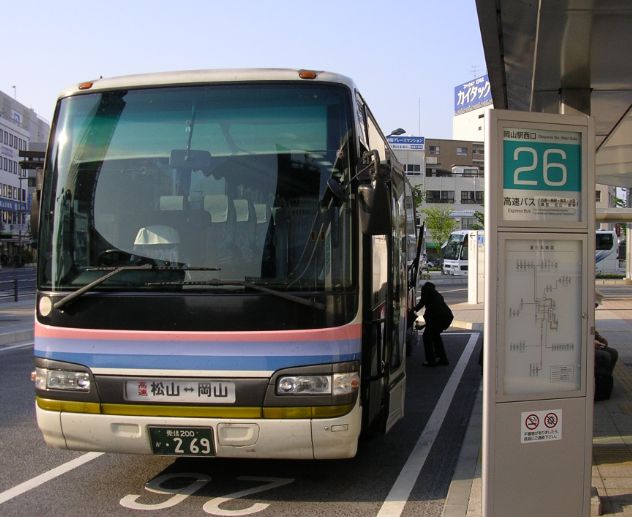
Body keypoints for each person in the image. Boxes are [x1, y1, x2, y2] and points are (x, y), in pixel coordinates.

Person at [414, 282, 454, 367]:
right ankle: (443, 359)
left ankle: (431, 361)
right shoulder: (436, 295)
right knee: (436, 336)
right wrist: (424, 326)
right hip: (446, 318)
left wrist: (413, 311)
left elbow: (422, 303)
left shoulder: (426, 289)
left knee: (427, 337)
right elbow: (434, 316)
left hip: (438, 319)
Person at [594, 329, 618, 401]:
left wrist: (599, 338)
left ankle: (605, 381)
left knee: (614, 352)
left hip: (592, 343)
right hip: (583, 346)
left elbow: (591, 330)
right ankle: (599, 386)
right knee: (605, 356)